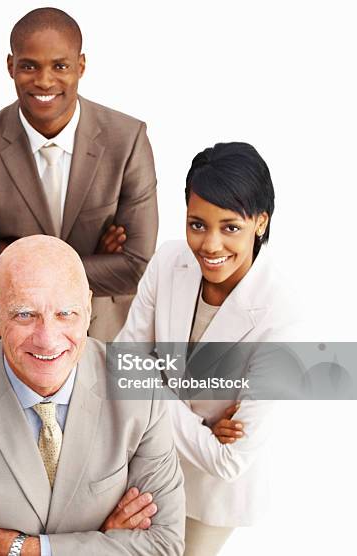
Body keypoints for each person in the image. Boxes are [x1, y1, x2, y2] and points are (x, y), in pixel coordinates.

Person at [0, 235, 185, 556]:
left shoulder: (142, 387)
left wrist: (28, 549)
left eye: (66, 313)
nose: (47, 339)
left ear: (87, 309)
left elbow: (164, 546)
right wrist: (102, 540)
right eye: (25, 314)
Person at [117, 142, 302, 555]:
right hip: (143, 468)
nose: (210, 245)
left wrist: (149, 394)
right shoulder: (168, 262)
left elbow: (229, 461)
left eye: (230, 227)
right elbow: (122, 365)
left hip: (211, 499)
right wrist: (200, 427)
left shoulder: (284, 316)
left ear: (260, 222)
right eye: (197, 224)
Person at [0, 7, 158, 347]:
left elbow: (135, 266)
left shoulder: (128, 139)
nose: (44, 81)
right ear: (10, 66)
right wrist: (89, 257)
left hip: (106, 335)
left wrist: (18, 260)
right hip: (10, 343)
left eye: (59, 66)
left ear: (81, 66)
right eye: (29, 66)